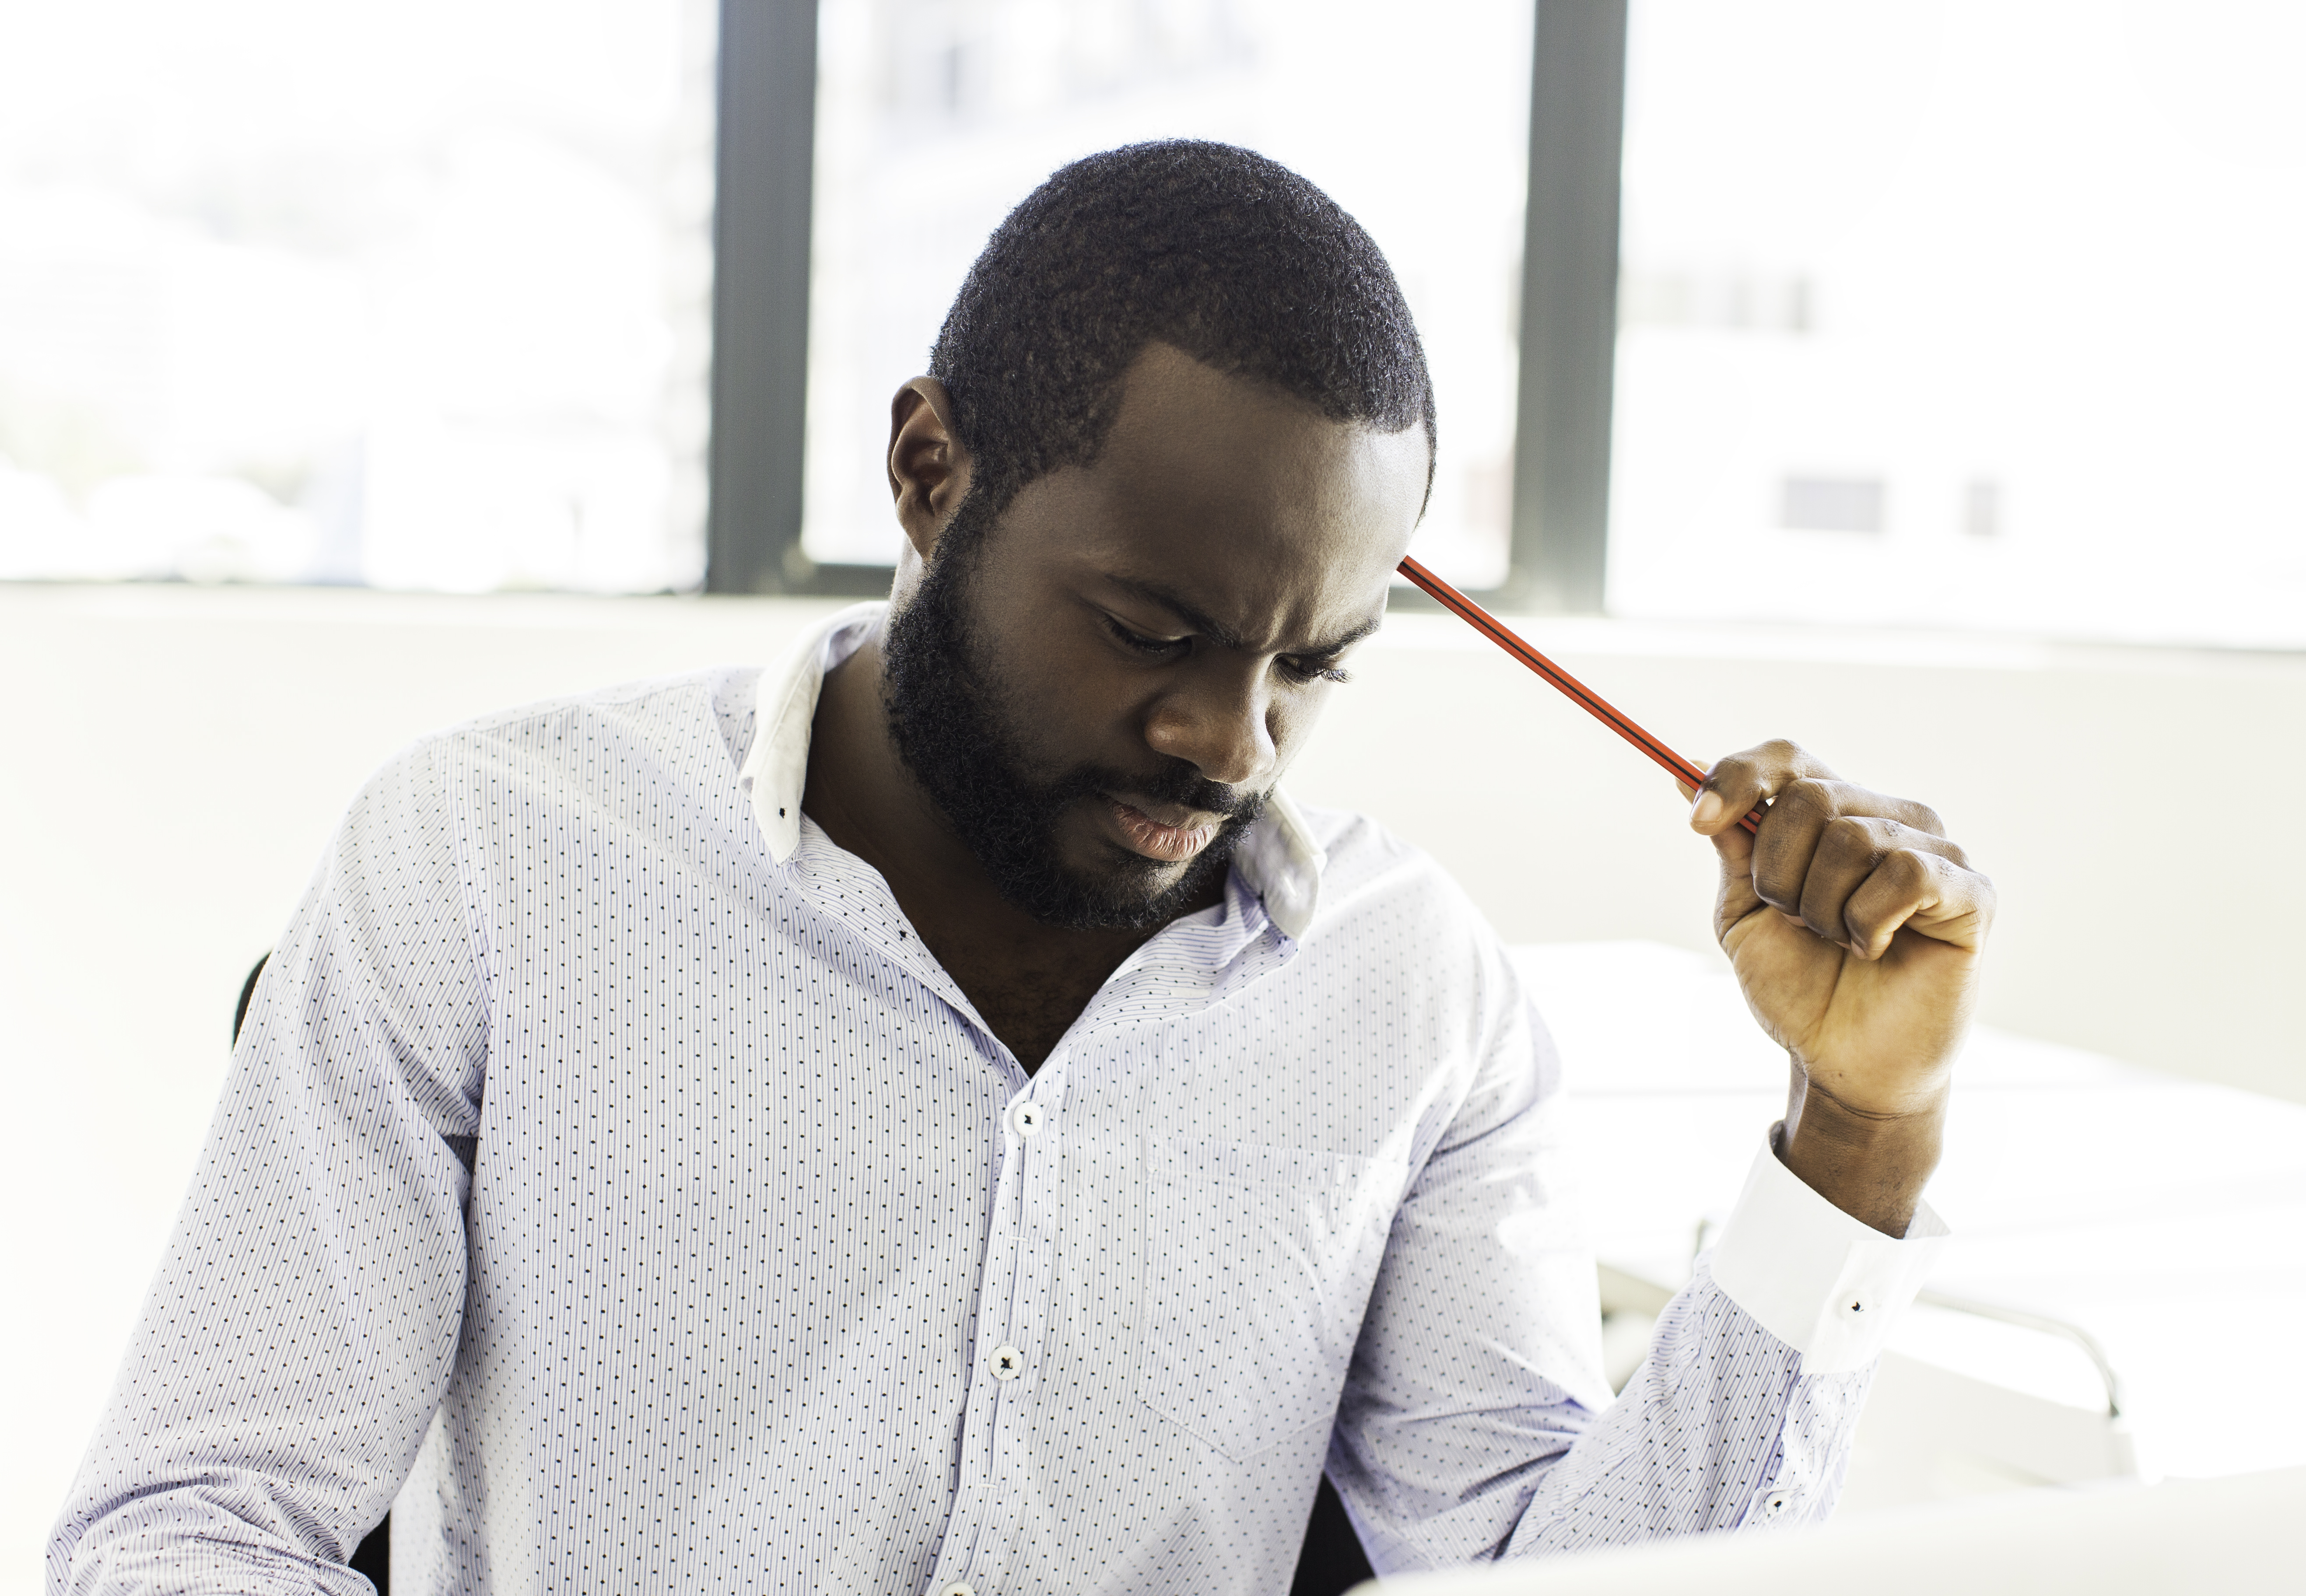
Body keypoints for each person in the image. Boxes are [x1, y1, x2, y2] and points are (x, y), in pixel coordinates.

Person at [50, 140, 1993, 1595]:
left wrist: (1858, 1130)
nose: (1231, 744)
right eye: (1154, 630)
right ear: (928, 472)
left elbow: (1554, 1589)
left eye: (1310, 665)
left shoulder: (1417, 1003)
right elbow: (186, 1529)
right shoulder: (492, 863)